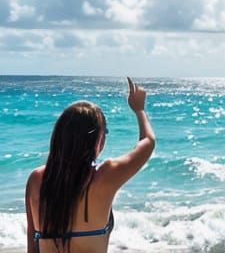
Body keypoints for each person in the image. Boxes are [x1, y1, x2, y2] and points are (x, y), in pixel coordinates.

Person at [24, 77, 155, 253]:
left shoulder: (37, 179)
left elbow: (32, 247)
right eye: (105, 131)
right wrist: (139, 110)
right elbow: (148, 142)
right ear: (97, 138)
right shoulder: (106, 175)